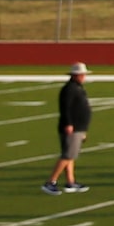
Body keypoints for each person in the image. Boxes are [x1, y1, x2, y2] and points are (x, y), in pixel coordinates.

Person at [46, 63, 92, 195]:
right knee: (67, 155)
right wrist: (69, 124)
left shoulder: (77, 87)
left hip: (78, 127)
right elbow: (65, 108)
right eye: (82, 75)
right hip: (73, 127)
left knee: (71, 156)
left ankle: (70, 182)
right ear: (75, 75)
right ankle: (51, 182)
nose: (84, 77)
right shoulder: (70, 89)